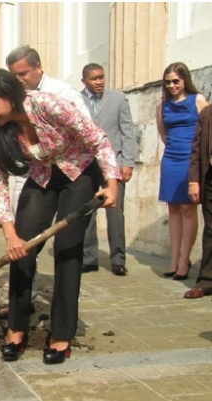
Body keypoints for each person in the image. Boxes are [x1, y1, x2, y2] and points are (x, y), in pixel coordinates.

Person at [0, 69, 119, 365]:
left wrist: (111, 182)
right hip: (42, 178)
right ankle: (16, 328)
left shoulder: (47, 104)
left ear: (9, 96)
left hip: (79, 173)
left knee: (67, 247)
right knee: (22, 250)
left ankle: (61, 334)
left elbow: (97, 139)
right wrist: (10, 233)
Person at [0, 46, 92, 319]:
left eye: (23, 73)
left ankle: (62, 320)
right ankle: (21, 303)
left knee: (65, 246)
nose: (19, 80)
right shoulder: (14, 101)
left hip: (72, 173)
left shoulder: (63, 94)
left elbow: (89, 136)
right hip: (36, 173)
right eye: (13, 75)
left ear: (38, 66)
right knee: (22, 240)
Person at [80, 63, 135, 276]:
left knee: (115, 213)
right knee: (88, 212)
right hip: (87, 165)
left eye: (102, 77)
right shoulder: (76, 100)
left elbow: (127, 131)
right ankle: (88, 258)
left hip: (115, 164)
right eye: (94, 78)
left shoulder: (118, 99)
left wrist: (127, 162)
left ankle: (118, 260)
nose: (99, 81)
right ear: (84, 81)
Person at [156, 62, 208, 280]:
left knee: (188, 208)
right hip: (171, 159)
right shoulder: (162, 104)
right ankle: (174, 259)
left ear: (185, 80)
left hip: (191, 159)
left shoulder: (197, 100)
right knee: (173, 209)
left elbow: (207, 129)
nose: (172, 85)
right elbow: (162, 132)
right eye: (168, 82)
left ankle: (185, 260)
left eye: (176, 81)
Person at [186, 104, 212, 299]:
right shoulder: (207, 113)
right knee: (210, 230)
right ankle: (207, 280)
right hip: (209, 178)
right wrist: (194, 180)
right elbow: (195, 149)